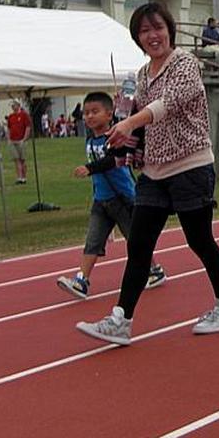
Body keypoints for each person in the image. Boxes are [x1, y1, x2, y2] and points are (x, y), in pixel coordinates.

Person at [76, 2, 219, 346]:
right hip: (154, 171)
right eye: (144, 31)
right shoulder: (140, 75)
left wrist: (131, 121)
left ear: (169, 29)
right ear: (137, 37)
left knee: (199, 240)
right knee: (138, 244)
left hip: (190, 166)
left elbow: (170, 103)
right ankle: (121, 318)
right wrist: (123, 135)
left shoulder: (185, 63)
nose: (153, 36)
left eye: (157, 28)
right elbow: (142, 118)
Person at [56, 92, 167, 299]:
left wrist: (89, 168)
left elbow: (111, 162)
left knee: (134, 239)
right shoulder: (89, 140)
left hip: (123, 198)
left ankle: (154, 269)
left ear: (109, 115)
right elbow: (98, 174)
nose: (89, 116)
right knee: (93, 241)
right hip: (102, 201)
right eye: (86, 113)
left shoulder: (116, 137)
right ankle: (82, 281)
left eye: (95, 112)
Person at [6, 100, 31, 184]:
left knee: (22, 159)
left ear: (18, 105)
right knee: (16, 159)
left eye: (14, 105)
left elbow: (28, 127)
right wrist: (8, 138)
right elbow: (9, 128)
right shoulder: (10, 116)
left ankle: (24, 177)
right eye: (12, 106)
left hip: (21, 140)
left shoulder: (24, 115)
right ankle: (19, 177)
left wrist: (24, 139)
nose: (13, 107)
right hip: (13, 140)